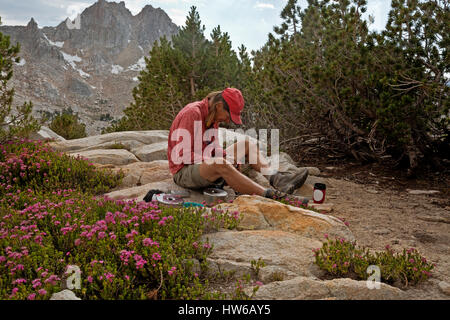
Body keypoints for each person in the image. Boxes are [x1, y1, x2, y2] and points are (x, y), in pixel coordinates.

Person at [167, 88, 309, 200]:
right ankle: (271, 195)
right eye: (228, 116)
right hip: (183, 171)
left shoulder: (212, 116)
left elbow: (213, 147)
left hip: (202, 164)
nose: (228, 121)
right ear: (219, 105)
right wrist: (220, 161)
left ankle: (277, 179)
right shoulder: (193, 113)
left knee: (246, 144)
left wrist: (227, 157)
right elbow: (183, 155)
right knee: (219, 163)